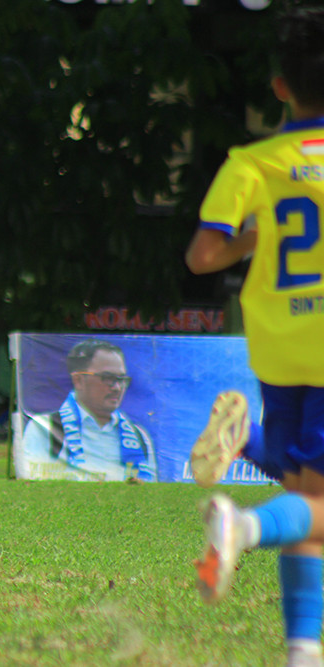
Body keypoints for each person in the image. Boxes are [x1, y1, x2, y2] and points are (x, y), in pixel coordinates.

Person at [185, 8, 324, 666]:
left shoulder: (253, 160)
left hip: (279, 342)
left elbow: (203, 256)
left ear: (279, 87)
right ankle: (243, 524)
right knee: (315, 506)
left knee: (309, 494)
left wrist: (252, 238)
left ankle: (303, 648)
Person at [19, 339, 156, 482]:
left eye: (121, 379)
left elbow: (151, 492)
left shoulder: (139, 436)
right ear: (78, 380)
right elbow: (33, 483)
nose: (116, 387)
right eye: (107, 378)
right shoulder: (45, 428)